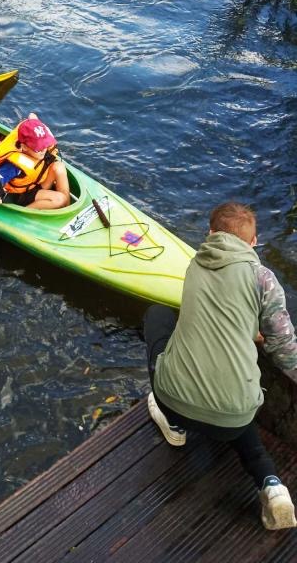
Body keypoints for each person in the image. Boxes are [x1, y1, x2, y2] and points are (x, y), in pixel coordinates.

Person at [144, 202, 297, 531]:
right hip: (234, 414)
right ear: (254, 242)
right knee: (246, 436)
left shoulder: (195, 263)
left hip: (175, 397)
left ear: (210, 234)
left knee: (158, 316)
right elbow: (284, 347)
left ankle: (175, 427)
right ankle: (273, 486)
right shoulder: (263, 279)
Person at [0, 114, 70, 210]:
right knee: (59, 199)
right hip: (21, 195)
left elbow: (32, 116)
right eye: (38, 148)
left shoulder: (39, 144)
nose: (44, 150)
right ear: (24, 147)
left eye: (44, 145)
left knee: (59, 166)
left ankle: (68, 207)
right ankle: (22, 215)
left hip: (35, 182)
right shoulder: (14, 166)